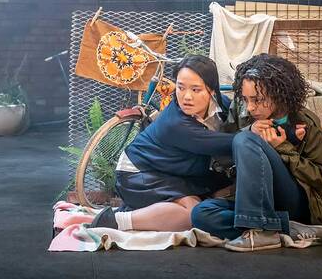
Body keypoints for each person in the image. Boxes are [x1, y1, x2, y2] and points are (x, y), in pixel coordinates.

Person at [191, 53, 322, 252]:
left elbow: (321, 177)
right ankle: (287, 228)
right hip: (252, 199)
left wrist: (283, 148)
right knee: (201, 214)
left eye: (258, 99)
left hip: (293, 199)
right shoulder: (241, 111)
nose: (251, 107)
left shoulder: (304, 121)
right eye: (245, 99)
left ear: (279, 94)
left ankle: (259, 231)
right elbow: (221, 161)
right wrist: (248, 131)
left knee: (244, 139)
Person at [89, 55, 235, 232]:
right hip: (137, 173)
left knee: (205, 200)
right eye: (180, 88)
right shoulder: (176, 124)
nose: (186, 97)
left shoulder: (221, 105)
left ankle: (143, 211)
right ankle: (117, 221)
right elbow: (230, 143)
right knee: (193, 214)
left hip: (169, 171)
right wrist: (255, 134)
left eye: (196, 90)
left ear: (211, 90)